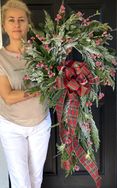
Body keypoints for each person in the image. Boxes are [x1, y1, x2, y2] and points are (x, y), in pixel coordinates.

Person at [0, 0, 51, 188]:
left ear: (28, 24)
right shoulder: (1, 58)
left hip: (40, 122)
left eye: (21, 20)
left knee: (36, 178)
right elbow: (8, 96)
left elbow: (54, 82)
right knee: (21, 181)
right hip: (11, 126)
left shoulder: (42, 52)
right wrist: (38, 89)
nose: (16, 25)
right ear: (3, 25)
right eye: (11, 20)